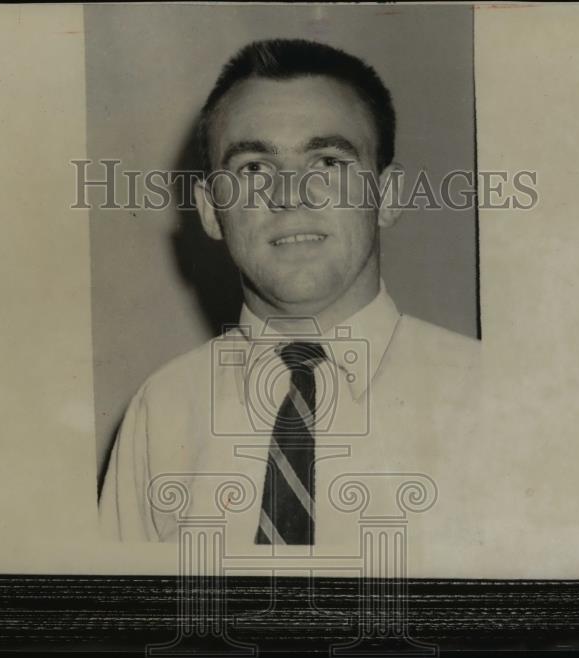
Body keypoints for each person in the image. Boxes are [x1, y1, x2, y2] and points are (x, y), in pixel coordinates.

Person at [99, 39, 482, 549]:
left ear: (388, 196)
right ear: (212, 212)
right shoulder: (161, 413)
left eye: (326, 162)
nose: (290, 194)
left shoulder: (494, 398)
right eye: (253, 169)